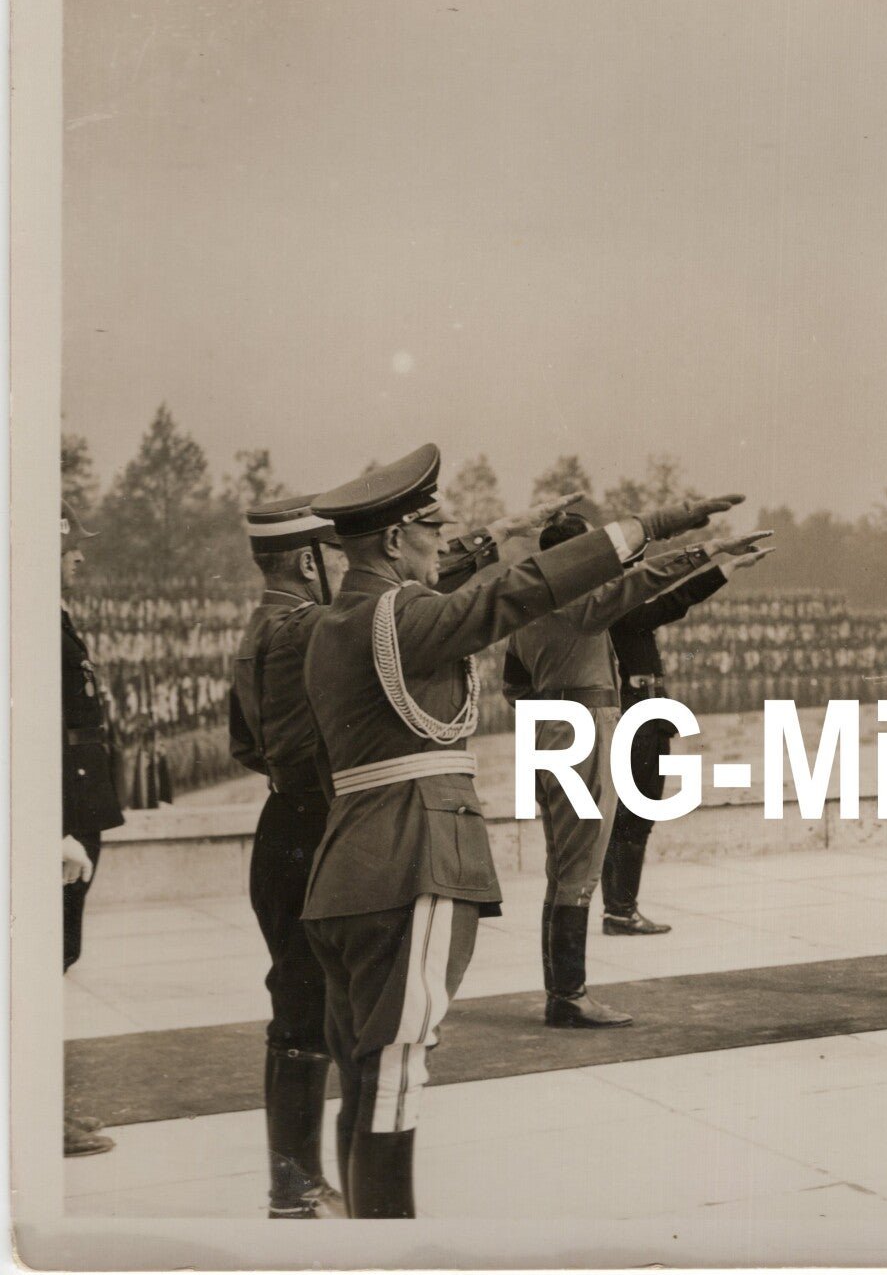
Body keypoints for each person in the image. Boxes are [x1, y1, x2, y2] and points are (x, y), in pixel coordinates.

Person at [300, 444, 741, 1218]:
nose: (444, 543)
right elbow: (521, 587)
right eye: (431, 530)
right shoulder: (401, 618)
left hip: (347, 864)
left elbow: (466, 583)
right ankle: (388, 1250)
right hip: (413, 854)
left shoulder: (337, 622)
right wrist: (652, 523)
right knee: (396, 1074)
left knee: (365, 1071)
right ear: (398, 538)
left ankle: (361, 1242)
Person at [503, 515, 772, 1026]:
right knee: (578, 868)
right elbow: (649, 583)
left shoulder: (526, 614)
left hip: (548, 729)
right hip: (587, 726)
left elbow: (513, 689)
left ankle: (564, 992)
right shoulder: (585, 606)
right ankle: (569, 997)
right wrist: (716, 553)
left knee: (561, 868)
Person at [229, 496, 350, 1216]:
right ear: (309, 559)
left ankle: (295, 1177)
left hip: (282, 823)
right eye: (332, 554)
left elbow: (245, 744)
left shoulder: (257, 627)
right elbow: (308, 752)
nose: (337, 565)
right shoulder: (307, 627)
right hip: (313, 824)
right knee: (309, 1001)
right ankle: (295, 1183)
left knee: (298, 995)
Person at [599, 532, 773, 936]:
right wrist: (727, 568)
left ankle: (618, 908)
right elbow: (675, 602)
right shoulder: (619, 608)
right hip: (638, 720)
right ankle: (620, 911)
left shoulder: (619, 608)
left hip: (644, 716)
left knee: (630, 817)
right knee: (636, 816)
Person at [61, 501, 123, 1158]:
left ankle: (50, 1105)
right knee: (45, 959)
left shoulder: (56, 619)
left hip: (78, 809)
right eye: (73, 544)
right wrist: (56, 827)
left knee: (60, 953)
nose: (81, 554)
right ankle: (42, 1112)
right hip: (64, 817)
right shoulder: (36, 623)